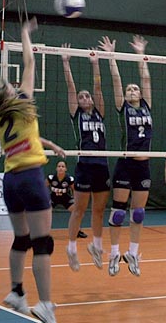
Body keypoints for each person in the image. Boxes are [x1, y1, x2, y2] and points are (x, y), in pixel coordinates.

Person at [0, 17, 62, 322]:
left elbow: (23, 138)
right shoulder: (24, 103)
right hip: (30, 178)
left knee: (22, 239)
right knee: (43, 243)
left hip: (10, 180)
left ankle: (16, 290)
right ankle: (45, 304)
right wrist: (24, 34)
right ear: (8, 89)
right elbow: (29, 62)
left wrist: (47, 142)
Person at [98, 35, 152, 277]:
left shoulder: (147, 105)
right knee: (119, 212)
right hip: (125, 163)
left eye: (135, 89)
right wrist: (112, 56)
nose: (132, 90)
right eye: (130, 89)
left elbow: (146, 78)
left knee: (138, 213)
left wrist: (141, 54)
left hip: (144, 165)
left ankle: (133, 252)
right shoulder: (124, 107)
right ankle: (113, 254)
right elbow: (116, 80)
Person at [62, 42, 111, 272]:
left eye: (87, 96)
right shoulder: (76, 115)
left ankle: (97, 246)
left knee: (99, 210)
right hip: (84, 165)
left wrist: (96, 64)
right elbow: (71, 89)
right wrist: (65, 62)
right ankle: (71, 248)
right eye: (81, 97)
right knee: (80, 209)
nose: (84, 97)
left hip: (102, 164)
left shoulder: (99, 111)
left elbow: (98, 88)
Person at [46, 160, 87, 239]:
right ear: (56, 168)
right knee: (46, 212)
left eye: (63, 166)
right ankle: (45, 233)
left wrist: (77, 200)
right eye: (59, 166)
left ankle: (77, 231)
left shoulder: (69, 179)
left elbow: (75, 190)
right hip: (53, 198)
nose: (61, 168)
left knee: (79, 212)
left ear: (66, 169)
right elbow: (42, 187)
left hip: (66, 199)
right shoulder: (51, 178)